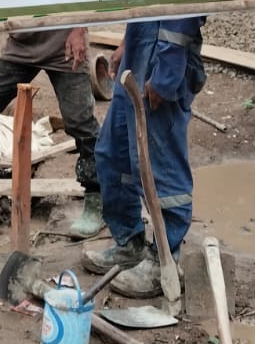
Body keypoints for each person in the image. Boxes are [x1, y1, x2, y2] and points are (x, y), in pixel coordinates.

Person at [0, 28, 106, 238]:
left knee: (81, 122)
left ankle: (96, 199)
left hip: (66, 43)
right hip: (23, 40)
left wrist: (79, 29)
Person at [81, 16, 208, 298]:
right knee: (113, 155)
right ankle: (129, 243)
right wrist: (128, 42)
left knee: (161, 167)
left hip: (163, 63)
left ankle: (165, 258)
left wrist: (165, 77)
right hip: (139, 55)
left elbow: (183, 13)